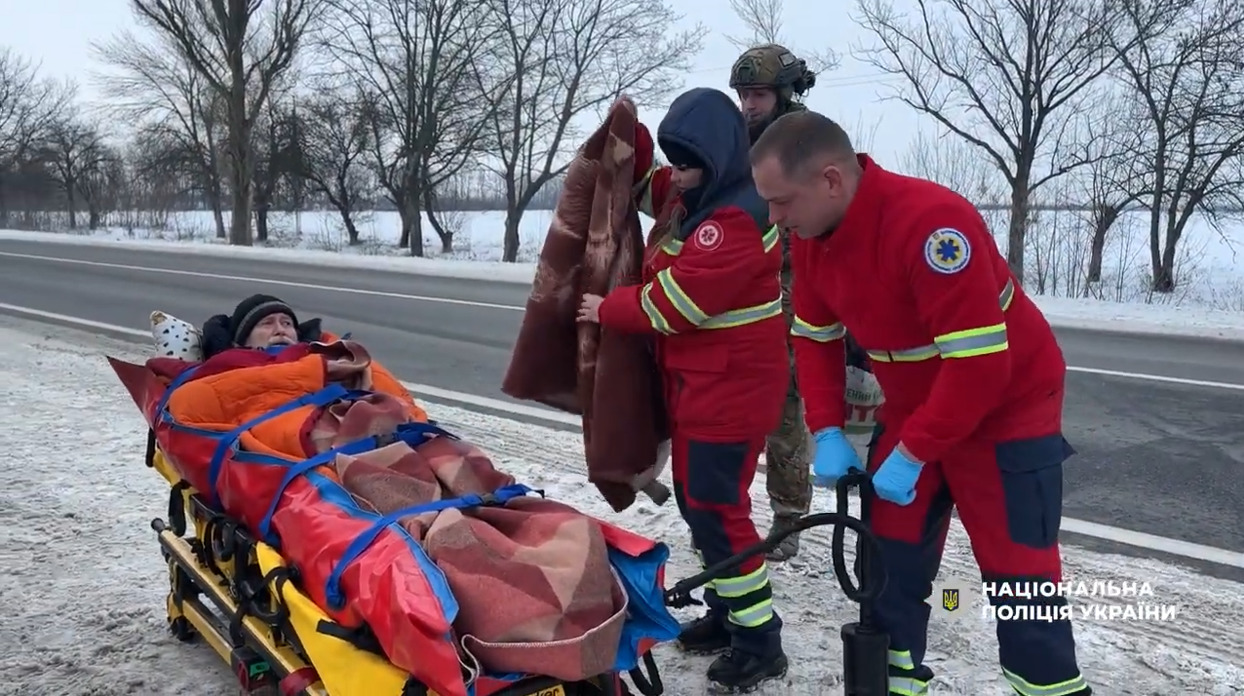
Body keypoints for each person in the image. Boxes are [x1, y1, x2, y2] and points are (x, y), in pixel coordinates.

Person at [749, 110, 1091, 696]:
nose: (774, 218)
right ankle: (893, 686)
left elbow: (981, 369)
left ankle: (1051, 687)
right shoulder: (812, 239)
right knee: (887, 566)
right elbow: (815, 338)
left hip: (1008, 409)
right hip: (914, 408)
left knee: (1021, 581)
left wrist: (912, 453)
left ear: (831, 181)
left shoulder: (931, 226)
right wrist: (827, 430)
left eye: (782, 202)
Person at [577, 87, 789, 692]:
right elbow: (646, 183)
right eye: (677, 157)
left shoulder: (737, 218)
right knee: (703, 508)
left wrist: (606, 307)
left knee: (718, 511)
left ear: (717, 155)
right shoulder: (699, 189)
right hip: (703, 387)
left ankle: (758, 638)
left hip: (730, 394)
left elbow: (677, 305)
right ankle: (728, 614)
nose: (680, 170)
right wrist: (630, 128)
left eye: (687, 159)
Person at [729, 43, 879, 560]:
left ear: (785, 93)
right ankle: (732, 510)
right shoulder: (734, 144)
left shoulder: (808, 145)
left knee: (788, 411)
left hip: (800, 292)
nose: (749, 104)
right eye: (744, 95)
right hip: (746, 292)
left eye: (759, 94)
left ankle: (788, 519)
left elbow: (839, 223)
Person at [201, 294, 324, 357]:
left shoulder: (329, 365)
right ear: (239, 343)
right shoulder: (217, 374)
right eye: (267, 323)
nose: (280, 330)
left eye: (286, 323)